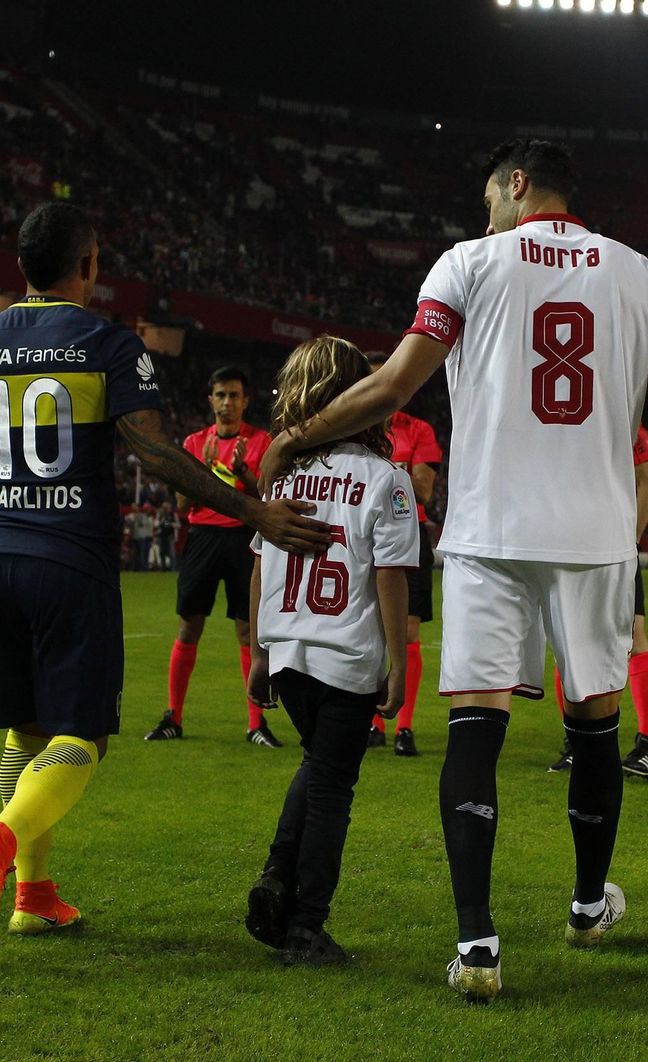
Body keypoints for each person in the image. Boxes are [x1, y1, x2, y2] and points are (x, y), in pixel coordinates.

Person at [259, 139, 648, 1002]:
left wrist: (296, 435)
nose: (486, 220)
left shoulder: (468, 263)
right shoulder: (641, 274)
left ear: (517, 186)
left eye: (490, 203)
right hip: (594, 536)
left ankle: (477, 945)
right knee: (595, 725)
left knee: (477, 729)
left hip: (487, 531)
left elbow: (394, 385)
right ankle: (586, 905)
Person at [0, 202, 330, 965]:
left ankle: (33, 897)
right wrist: (253, 510)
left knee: (26, 726)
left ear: (21, 268)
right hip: (69, 560)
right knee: (84, 735)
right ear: (90, 265)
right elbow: (156, 455)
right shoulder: (105, 344)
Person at [243, 336, 417, 966]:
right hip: (346, 654)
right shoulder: (386, 478)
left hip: (289, 650)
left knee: (318, 765)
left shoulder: (284, 474)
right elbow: (390, 576)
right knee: (333, 790)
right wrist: (398, 662)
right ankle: (305, 926)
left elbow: (260, 565)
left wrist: (260, 653)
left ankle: (275, 879)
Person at [145, 367, 285, 746]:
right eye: (221, 395)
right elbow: (181, 503)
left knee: (248, 630)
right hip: (203, 538)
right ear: (210, 400)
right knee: (189, 626)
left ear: (245, 401)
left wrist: (242, 471)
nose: (227, 402)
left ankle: (256, 725)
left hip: (244, 537)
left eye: (234, 395)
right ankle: (174, 717)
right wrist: (202, 469)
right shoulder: (194, 443)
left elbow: (266, 499)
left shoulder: (261, 441)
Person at [549, 424, 648, 780]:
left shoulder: (626, 418)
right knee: (565, 639)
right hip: (566, 543)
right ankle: (576, 744)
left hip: (615, 544)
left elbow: (646, 483)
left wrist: (631, 541)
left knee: (634, 635)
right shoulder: (557, 419)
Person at [363, 348, 442, 757]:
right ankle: (373, 723)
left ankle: (404, 726)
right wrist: (400, 471)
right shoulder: (351, 427)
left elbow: (423, 491)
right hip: (362, 536)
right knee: (369, 627)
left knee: (407, 631)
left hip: (409, 536)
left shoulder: (419, 430)